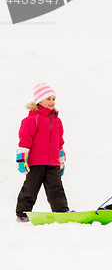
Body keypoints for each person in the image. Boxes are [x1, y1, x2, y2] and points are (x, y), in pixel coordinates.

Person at [15, 83, 70, 222]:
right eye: (48, 99)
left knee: (56, 188)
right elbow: (24, 140)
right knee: (31, 188)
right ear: (39, 101)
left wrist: (61, 160)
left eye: (53, 99)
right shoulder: (32, 120)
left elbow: (59, 143)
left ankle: (62, 211)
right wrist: (22, 159)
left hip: (53, 163)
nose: (52, 102)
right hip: (36, 162)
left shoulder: (57, 121)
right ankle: (22, 213)